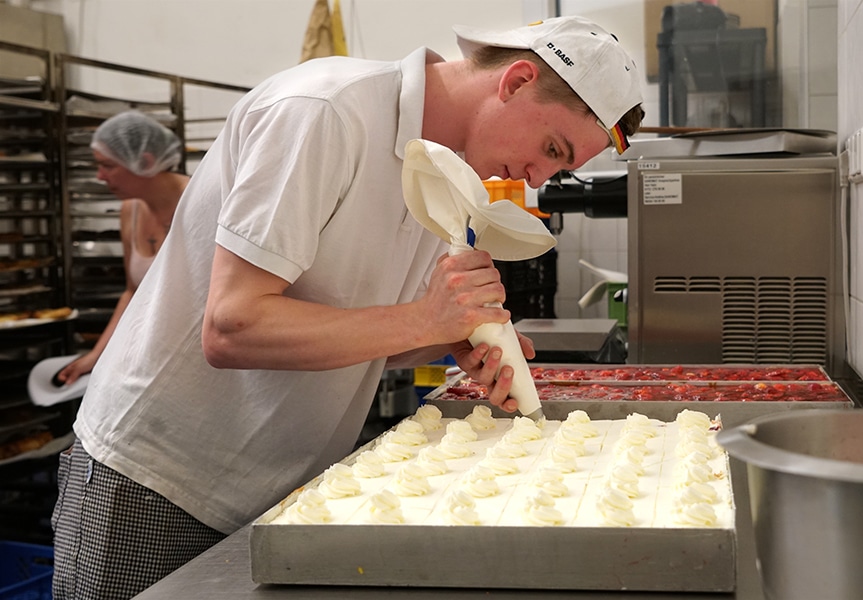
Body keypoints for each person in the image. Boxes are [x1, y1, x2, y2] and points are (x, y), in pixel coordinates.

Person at [52, 15, 644, 599]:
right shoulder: (325, 111)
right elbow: (233, 327)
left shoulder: (445, 175)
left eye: (561, 167)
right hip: (160, 478)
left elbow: (358, 336)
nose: (538, 177)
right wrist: (424, 318)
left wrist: (446, 338)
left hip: (285, 488)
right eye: (551, 148)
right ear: (515, 81)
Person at [56, 111, 189, 385]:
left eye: (108, 165)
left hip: (197, 357)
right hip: (152, 356)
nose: (100, 176)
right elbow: (132, 292)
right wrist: (96, 357)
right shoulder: (131, 210)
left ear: (145, 161)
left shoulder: (200, 201)